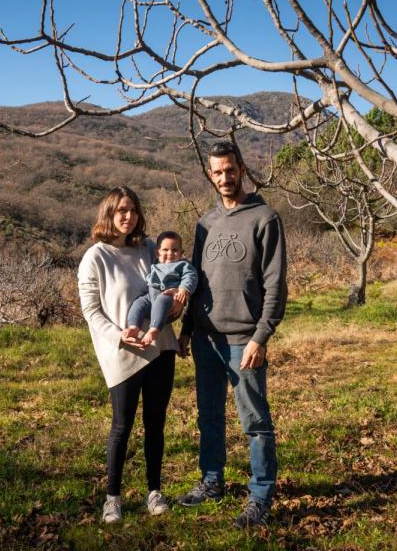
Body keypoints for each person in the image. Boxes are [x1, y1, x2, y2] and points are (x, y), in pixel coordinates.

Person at [177, 141, 287, 528]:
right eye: (217, 171)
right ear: (210, 174)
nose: (224, 177)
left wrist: (261, 337)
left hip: (244, 339)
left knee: (255, 422)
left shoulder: (265, 218)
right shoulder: (205, 224)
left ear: (242, 168)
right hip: (207, 339)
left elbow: (276, 285)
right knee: (208, 416)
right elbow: (194, 280)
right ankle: (212, 481)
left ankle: (260, 495)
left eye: (230, 169)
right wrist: (188, 330)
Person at [77, 186, 182, 524]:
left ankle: (154, 491)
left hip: (160, 348)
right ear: (108, 213)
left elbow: (173, 285)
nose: (128, 216)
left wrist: (178, 307)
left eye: (133, 210)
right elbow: (91, 311)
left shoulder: (150, 248)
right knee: (121, 427)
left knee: (156, 424)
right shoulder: (96, 257)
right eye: (121, 210)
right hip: (123, 354)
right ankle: (113, 497)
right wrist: (119, 337)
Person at [123, 230, 198, 347]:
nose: (170, 253)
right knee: (138, 303)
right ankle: (134, 326)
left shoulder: (183, 265)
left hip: (170, 298)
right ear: (157, 253)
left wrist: (183, 289)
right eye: (165, 250)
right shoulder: (156, 264)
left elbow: (191, 276)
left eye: (175, 250)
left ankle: (154, 329)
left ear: (181, 253)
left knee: (162, 299)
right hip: (151, 296)